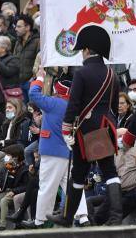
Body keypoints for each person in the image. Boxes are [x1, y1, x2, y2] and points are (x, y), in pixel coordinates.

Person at [50, 25, 121, 228]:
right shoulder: (112, 74)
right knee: (109, 172)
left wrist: (66, 129)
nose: (81, 53)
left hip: (86, 130)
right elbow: (114, 107)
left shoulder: (81, 73)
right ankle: (115, 217)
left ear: (88, 49)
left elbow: (73, 105)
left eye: (82, 49)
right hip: (105, 127)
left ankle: (67, 217)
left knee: (79, 174)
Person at [24, 75, 89, 229]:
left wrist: (40, 77)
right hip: (69, 151)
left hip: (52, 150)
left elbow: (33, 94)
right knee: (72, 186)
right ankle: (83, 216)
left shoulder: (54, 103)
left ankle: (40, 220)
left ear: (57, 90)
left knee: (47, 186)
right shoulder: (75, 104)